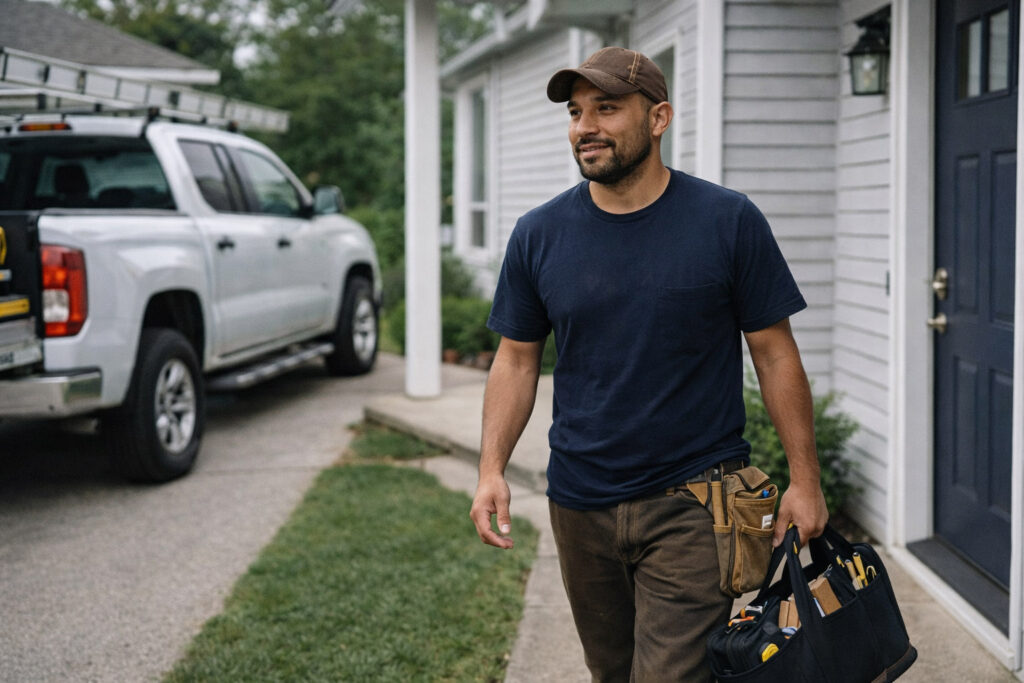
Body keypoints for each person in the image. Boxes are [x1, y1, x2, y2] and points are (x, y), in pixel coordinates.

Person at [469, 46, 829, 682]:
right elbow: (517, 361)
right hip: (580, 501)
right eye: (577, 112)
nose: (585, 126)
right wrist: (491, 469)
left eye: (606, 108)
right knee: (611, 673)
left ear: (658, 118)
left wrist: (806, 479)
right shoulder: (539, 234)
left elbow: (774, 354)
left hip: (695, 500)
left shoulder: (727, 221)